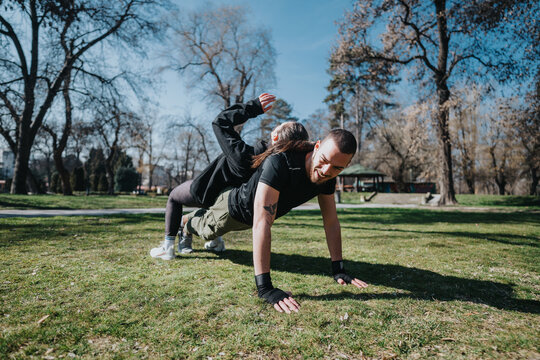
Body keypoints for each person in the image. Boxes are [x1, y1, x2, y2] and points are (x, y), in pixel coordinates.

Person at [182, 129, 368, 314]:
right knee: (205, 230)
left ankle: (205, 228)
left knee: (218, 232)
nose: (327, 171)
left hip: (252, 220)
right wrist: (265, 288)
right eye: (325, 160)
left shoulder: (327, 178)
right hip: (232, 211)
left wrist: (339, 269)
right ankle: (186, 223)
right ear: (317, 146)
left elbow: (331, 222)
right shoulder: (281, 162)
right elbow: (262, 223)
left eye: (337, 167)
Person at [150, 93, 309, 260]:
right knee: (215, 213)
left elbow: (220, 122)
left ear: (275, 136)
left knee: (174, 197)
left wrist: (253, 107)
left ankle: (167, 247)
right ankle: (213, 242)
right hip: (228, 204)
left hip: (206, 192)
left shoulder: (243, 156)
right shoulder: (277, 170)